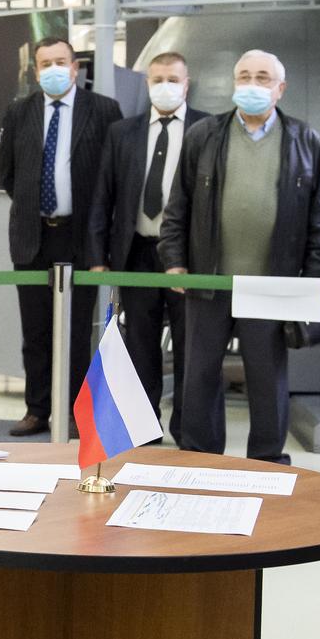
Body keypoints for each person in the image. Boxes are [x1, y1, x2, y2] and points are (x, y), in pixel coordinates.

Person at [160, 49, 320, 465]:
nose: (252, 85)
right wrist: (174, 260)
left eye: (263, 78)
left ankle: (267, 462)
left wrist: (314, 280)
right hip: (209, 280)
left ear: (280, 88)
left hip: (272, 283)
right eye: (245, 76)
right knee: (200, 375)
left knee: (267, 380)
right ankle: (200, 459)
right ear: (235, 84)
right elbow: (177, 205)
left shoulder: (305, 141)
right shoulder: (204, 135)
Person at [0, 37, 123, 437]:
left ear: (75, 67)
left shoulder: (103, 110)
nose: (53, 68)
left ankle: (72, 410)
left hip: (80, 236)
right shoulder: (19, 112)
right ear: (36, 71)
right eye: (45, 63)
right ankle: (37, 410)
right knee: (35, 330)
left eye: (61, 61)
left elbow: (111, 178)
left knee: (74, 332)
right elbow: (8, 174)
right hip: (32, 235)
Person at [89, 52, 209, 445]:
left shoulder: (207, 129)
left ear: (187, 83)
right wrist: (98, 256)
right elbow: (102, 197)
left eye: (173, 78)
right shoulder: (123, 132)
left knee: (192, 348)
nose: (166, 85)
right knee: (141, 347)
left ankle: (188, 433)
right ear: (147, 83)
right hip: (137, 254)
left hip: (189, 259)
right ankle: (146, 432)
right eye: (158, 78)